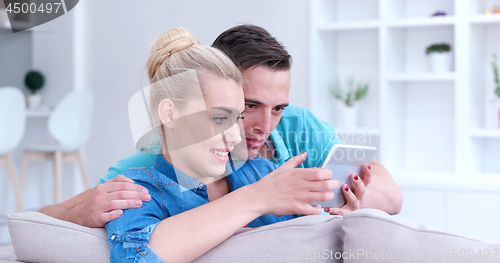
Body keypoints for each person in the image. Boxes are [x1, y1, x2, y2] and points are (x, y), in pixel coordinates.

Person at [38, 24, 402, 228]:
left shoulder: (297, 126)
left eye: (277, 108)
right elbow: (40, 221)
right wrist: (78, 213)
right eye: (248, 107)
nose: (264, 126)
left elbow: (392, 197)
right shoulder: (161, 162)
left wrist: (344, 200)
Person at [105, 27, 338, 263]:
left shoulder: (260, 172)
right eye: (219, 118)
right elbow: (133, 257)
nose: (236, 137)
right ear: (170, 114)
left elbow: (325, 238)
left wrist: (341, 217)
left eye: (237, 118)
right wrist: (254, 199)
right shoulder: (137, 191)